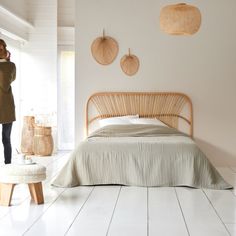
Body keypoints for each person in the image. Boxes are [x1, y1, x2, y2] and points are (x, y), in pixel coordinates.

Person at [0, 39, 16, 164]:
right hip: (6, 106)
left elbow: (5, 84)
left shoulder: (10, 66)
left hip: (7, 108)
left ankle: (8, 165)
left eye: (1, 49)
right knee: (6, 138)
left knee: (6, 139)